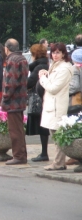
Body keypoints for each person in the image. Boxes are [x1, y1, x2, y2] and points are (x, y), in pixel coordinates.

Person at [39, 43, 73, 171]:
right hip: (52, 105)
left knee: (58, 136)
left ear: (63, 53)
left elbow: (53, 88)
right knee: (55, 136)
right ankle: (59, 162)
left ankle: (58, 163)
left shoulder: (64, 68)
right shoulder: (55, 66)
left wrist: (42, 79)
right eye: (53, 52)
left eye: (58, 52)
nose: (55, 55)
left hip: (57, 105)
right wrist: (45, 73)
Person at [1, 39, 29, 165]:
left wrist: (5, 97)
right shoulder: (22, 58)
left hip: (13, 100)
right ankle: (21, 155)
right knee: (19, 129)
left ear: (7, 48)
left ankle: (18, 156)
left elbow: (10, 82)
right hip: (21, 98)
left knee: (14, 130)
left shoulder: (12, 60)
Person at [26, 44, 50, 162]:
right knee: (43, 126)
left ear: (34, 55)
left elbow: (30, 82)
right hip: (44, 98)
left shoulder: (39, 67)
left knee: (43, 127)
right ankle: (43, 152)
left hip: (40, 99)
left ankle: (44, 153)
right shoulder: (45, 64)